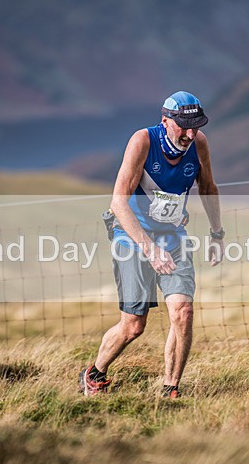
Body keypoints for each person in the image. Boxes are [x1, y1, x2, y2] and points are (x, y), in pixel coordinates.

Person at [79, 91, 224, 399]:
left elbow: (208, 187)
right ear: (165, 122)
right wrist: (149, 249)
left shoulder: (199, 143)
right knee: (134, 325)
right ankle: (94, 373)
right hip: (131, 236)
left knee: (183, 311)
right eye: (183, 126)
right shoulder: (143, 141)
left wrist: (217, 234)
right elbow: (118, 202)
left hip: (172, 237)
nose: (190, 134)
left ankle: (170, 389)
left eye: (195, 126)